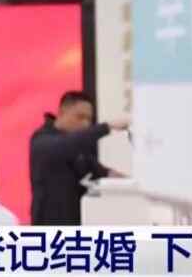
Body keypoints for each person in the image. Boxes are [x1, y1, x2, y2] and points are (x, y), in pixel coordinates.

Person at [30, 91, 129, 225]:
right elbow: (64, 146)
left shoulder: (78, 148)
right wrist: (107, 127)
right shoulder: (42, 141)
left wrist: (132, 183)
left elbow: (100, 172)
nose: (85, 124)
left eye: (89, 119)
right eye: (80, 117)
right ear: (62, 112)